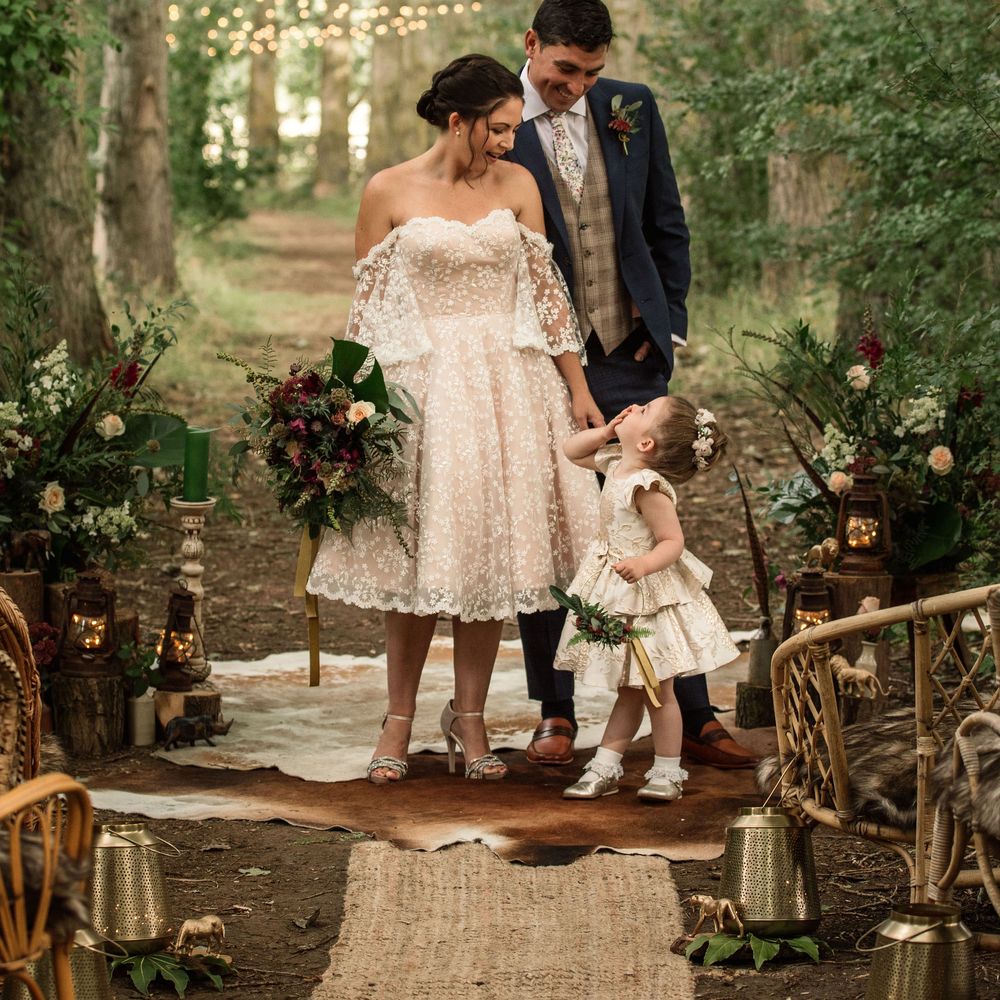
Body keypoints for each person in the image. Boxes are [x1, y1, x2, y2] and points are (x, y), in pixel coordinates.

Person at [307, 54, 601, 784]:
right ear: (457, 120)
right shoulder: (387, 190)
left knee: (487, 557)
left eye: (511, 130)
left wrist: (579, 390)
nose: (506, 142)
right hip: (420, 389)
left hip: (507, 386)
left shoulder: (521, 185)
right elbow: (367, 313)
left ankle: (469, 720)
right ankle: (398, 719)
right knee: (419, 559)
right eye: (496, 129)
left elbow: (546, 299)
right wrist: (345, 414)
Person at [507, 0, 757, 770]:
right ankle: (555, 711)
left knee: (647, 525)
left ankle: (690, 711)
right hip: (535, 356)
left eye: (591, 72)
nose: (576, 87)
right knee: (550, 529)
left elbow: (665, 218)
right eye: (562, 71)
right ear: (531, 47)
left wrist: (667, 321)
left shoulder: (631, 108)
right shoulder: (495, 116)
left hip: (630, 349)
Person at [555, 396, 740, 800]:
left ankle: (667, 772)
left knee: (658, 688)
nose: (634, 407)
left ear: (646, 445)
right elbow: (571, 451)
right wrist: (604, 432)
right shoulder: (615, 463)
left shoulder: (646, 486)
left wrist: (643, 564)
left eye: (645, 411)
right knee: (630, 687)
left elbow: (673, 541)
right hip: (615, 593)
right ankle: (606, 767)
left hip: (646, 600)